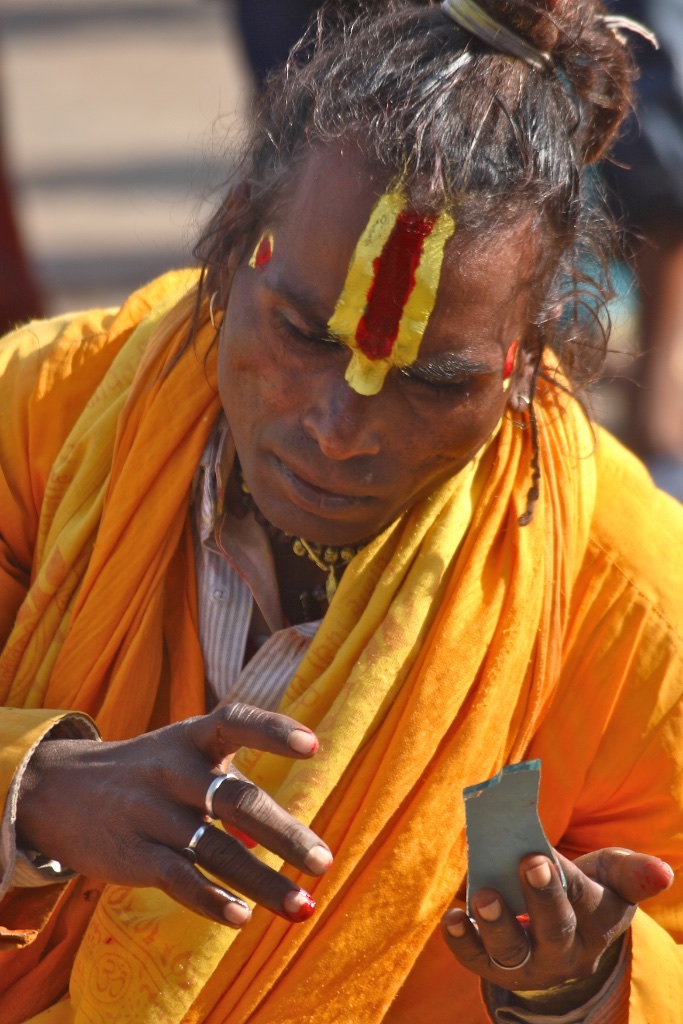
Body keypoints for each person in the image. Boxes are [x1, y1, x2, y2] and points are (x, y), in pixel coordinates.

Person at [0, 2, 682, 1022]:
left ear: (526, 367)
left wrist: (578, 984)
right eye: (303, 334)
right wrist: (33, 790)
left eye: (431, 382)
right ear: (238, 246)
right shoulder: (39, 418)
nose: (336, 427)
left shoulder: (626, 594)